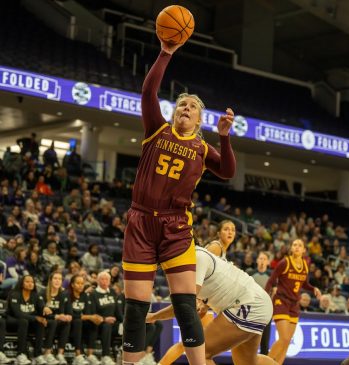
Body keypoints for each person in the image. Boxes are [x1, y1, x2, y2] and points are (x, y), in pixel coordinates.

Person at [121, 30, 236, 365]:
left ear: (200, 122)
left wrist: (225, 138)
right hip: (141, 222)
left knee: (186, 306)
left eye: (193, 107)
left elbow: (227, 172)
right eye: (182, 104)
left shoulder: (203, 148)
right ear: (174, 114)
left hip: (175, 228)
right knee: (136, 308)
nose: (186, 107)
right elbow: (148, 91)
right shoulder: (156, 128)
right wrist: (165, 52)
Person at [147, 246, 276, 365]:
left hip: (247, 304)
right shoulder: (192, 258)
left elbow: (185, 304)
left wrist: (153, 317)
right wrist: (205, 304)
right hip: (257, 302)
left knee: (200, 352)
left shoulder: (198, 256)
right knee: (249, 363)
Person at [158, 221, 236, 365]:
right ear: (219, 233)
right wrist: (200, 301)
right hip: (198, 300)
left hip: (202, 301)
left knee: (197, 345)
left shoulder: (221, 250)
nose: (230, 232)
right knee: (193, 344)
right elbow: (200, 271)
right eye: (226, 229)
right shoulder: (215, 247)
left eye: (232, 230)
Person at [265, 239, 321, 365]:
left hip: (294, 305)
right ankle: (264, 362)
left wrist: (313, 289)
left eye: (300, 245)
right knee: (284, 338)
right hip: (281, 301)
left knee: (287, 341)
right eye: (294, 245)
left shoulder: (305, 265)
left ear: (304, 250)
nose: (297, 247)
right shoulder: (285, 262)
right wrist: (265, 296)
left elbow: (304, 284)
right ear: (291, 248)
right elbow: (271, 280)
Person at [5, 275, 53, 365]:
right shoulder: (14, 294)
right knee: (24, 321)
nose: (30, 284)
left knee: (41, 323)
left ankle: (37, 355)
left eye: (32, 282)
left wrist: (45, 308)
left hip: (28, 322)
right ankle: (21, 355)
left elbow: (41, 305)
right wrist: (35, 318)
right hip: (13, 321)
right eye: (27, 281)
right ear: (22, 283)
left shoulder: (36, 295)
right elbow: (17, 314)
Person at [88, 271, 124, 365]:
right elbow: (92, 313)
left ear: (110, 281)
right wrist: (104, 319)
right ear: (97, 281)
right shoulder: (93, 294)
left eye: (107, 279)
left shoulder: (112, 292)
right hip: (99, 324)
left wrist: (123, 321)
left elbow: (117, 310)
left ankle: (133, 355)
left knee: (129, 327)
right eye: (102, 279)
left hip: (113, 324)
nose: (104, 281)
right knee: (107, 325)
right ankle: (105, 356)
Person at [42, 271, 72, 365]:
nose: (57, 281)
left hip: (58, 321)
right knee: (54, 322)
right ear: (50, 280)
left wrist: (68, 317)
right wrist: (56, 316)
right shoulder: (43, 293)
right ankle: (47, 353)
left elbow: (69, 311)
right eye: (55, 278)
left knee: (67, 323)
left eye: (59, 279)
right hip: (44, 321)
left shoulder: (65, 294)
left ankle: (60, 354)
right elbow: (41, 312)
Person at [252, 251, 272, 355]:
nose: (262, 261)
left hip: (266, 312)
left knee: (264, 343)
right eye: (260, 258)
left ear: (268, 262)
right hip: (252, 312)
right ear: (256, 260)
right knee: (251, 342)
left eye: (264, 259)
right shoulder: (250, 273)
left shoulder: (271, 276)